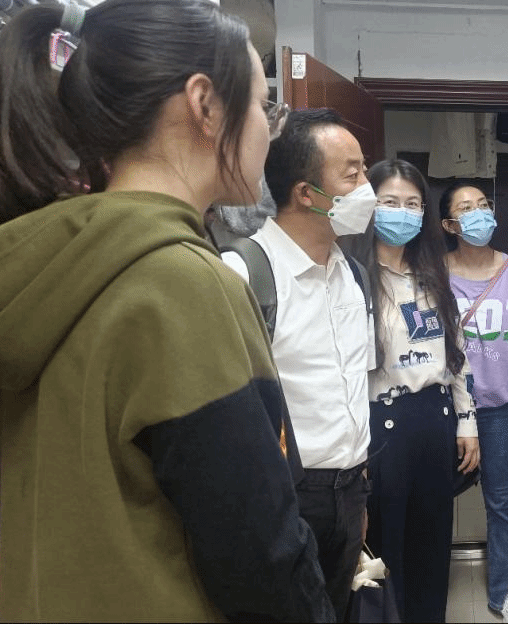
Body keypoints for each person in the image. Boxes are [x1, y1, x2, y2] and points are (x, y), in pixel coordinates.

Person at [0, 1, 333, 621]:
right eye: (261, 104)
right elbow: (260, 557)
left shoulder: (51, 266)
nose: (267, 130)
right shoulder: (183, 284)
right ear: (204, 104)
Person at [221, 108, 377, 622]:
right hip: (284, 495)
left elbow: (353, 388)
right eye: (352, 175)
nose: (367, 188)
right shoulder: (244, 272)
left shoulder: (352, 274)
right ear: (307, 193)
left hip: (348, 491)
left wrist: (357, 497)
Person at [343, 158, 480, 622]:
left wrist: (466, 421)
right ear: (369, 205)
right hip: (381, 427)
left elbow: (457, 355)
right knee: (385, 551)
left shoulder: (432, 275)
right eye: (390, 202)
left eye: (412, 204)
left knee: (431, 549)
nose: (401, 212)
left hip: (434, 422)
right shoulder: (350, 277)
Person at [441, 183, 508, 623]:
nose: (478, 213)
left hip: (504, 407)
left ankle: (505, 592)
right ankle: (426, 587)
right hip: (445, 408)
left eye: (483, 205)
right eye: (466, 208)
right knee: (434, 498)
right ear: (449, 225)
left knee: (503, 502)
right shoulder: (433, 274)